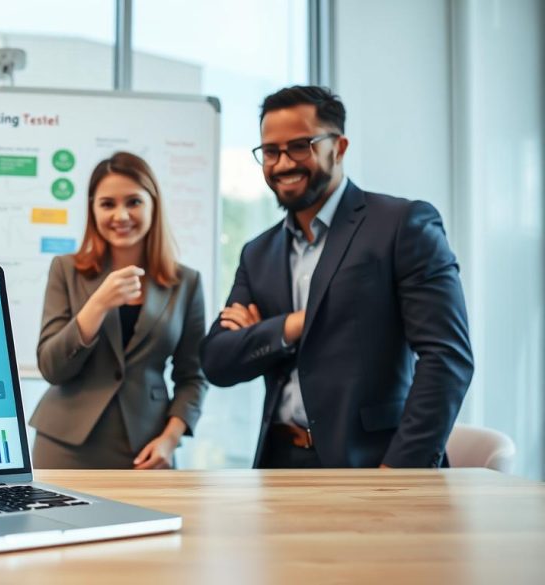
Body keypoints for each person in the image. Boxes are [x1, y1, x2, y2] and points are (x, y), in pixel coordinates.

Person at [203, 85, 473, 469]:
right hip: (279, 465)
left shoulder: (401, 225)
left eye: (300, 146)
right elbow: (217, 360)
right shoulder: (258, 253)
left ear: (339, 147)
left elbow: (447, 357)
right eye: (270, 151)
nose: (282, 164)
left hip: (372, 464)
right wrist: (288, 328)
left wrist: (398, 471)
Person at [30, 152, 206, 469]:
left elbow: (192, 377)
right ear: (93, 209)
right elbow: (51, 367)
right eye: (107, 204)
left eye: (134, 202)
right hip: (65, 446)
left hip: (147, 447)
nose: (121, 215)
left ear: (153, 204)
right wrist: (97, 304)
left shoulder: (186, 282)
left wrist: (170, 439)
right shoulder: (66, 269)